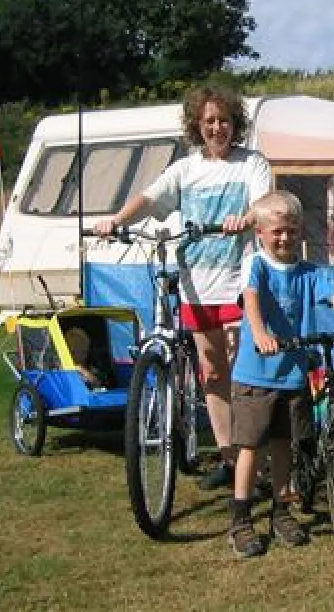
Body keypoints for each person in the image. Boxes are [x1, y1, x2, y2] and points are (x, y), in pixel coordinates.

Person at [94, 83, 271, 490]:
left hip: (239, 282)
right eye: (209, 121)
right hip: (197, 287)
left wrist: (244, 219)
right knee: (212, 376)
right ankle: (229, 458)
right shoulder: (185, 170)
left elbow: (263, 203)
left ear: (235, 123)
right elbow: (149, 197)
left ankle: (254, 458)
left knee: (243, 375)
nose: (217, 127)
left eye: (224, 120)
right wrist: (117, 220)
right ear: (197, 125)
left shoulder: (251, 164)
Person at [228, 190, 334, 559]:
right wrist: (261, 333)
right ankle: (241, 519)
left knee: (286, 446)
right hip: (256, 377)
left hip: (293, 377)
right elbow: (251, 298)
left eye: (292, 231)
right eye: (277, 231)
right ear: (261, 233)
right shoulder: (256, 265)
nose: (285, 238)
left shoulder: (310, 272)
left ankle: (282, 510)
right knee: (251, 448)